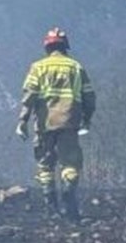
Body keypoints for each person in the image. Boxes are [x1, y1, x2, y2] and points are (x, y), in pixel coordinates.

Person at [16, 27, 96, 221]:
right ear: (65, 46)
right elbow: (89, 96)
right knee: (70, 163)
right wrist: (87, 118)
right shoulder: (76, 67)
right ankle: (68, 195)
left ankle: (51, 207)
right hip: (69, 123)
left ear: (47, 46)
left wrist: (22, 121)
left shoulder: (38, 67)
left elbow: (29, 96)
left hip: (44, 124)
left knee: (45, 165)